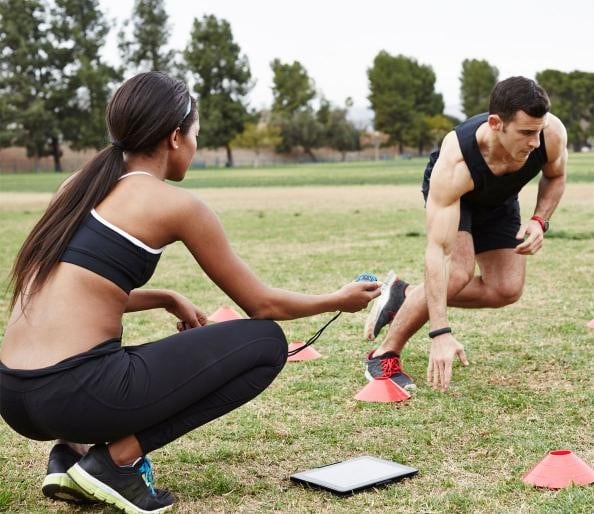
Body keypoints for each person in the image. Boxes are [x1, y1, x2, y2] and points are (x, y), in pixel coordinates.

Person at [0, 71, 381, 514]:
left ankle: (71, 454)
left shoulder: (76, 187)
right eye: (196, 135)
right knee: (264, 342)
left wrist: (164, 296)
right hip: (75, 393)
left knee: (107, 354)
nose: (196, 148)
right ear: (175, 136)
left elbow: (76, 293)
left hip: (14, 395)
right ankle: (114, 463)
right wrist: (339, 298)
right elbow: (262, 305)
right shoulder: (175, 204)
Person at [363, 76, 568, 392]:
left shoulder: (550, 135)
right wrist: (440, 332)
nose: (535, 142)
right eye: (526, 133)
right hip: (458, 196)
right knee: (456, 275)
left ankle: (404, 295)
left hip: (499, 198)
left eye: (538, 131)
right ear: (496, 123)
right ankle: (385, 353)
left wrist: (540, 220)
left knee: (506, 289)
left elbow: (555, 176)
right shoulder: (457, 160)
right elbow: (439, 252)